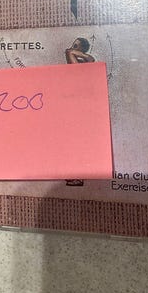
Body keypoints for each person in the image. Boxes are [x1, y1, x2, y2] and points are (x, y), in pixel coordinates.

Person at [65, 38, 95, 187]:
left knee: (77, 143)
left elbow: (71, 53)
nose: (72, 46)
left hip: (81, 108)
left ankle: (78, 176)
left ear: (81, 47)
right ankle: (74, 175)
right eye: (73, 44)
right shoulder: (78, 63)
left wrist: (76, 52)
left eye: (76, 45)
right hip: (73, 107)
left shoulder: (80, 63)